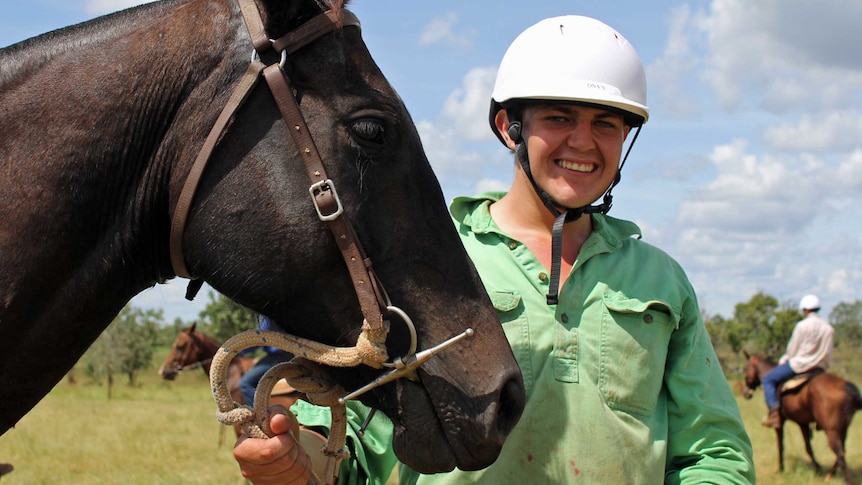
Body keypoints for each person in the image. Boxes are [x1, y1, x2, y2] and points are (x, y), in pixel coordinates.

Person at [233, 15, 756, 484]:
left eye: (606, 123)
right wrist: (293, 463)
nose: (583, 141)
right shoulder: (424, 262)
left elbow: (714, 452)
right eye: (559, 117)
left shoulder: (661, 281)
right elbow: (349, 446)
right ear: (510, 128)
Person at [760, 294, 834, 428]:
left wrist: (785, 360)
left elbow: (792, 350)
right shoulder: (828, 328)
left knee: (768, 380)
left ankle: (775, 413)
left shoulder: (802, 325)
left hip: (799, 365)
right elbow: (828, 353)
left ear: (805, 310)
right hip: (819, 368)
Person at [239, 316, 294, 406]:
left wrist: (238, 350)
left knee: (245, 384)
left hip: (278, 357)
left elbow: (257, 340)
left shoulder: (269, 319)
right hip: (289, 354)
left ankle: (258, 413)